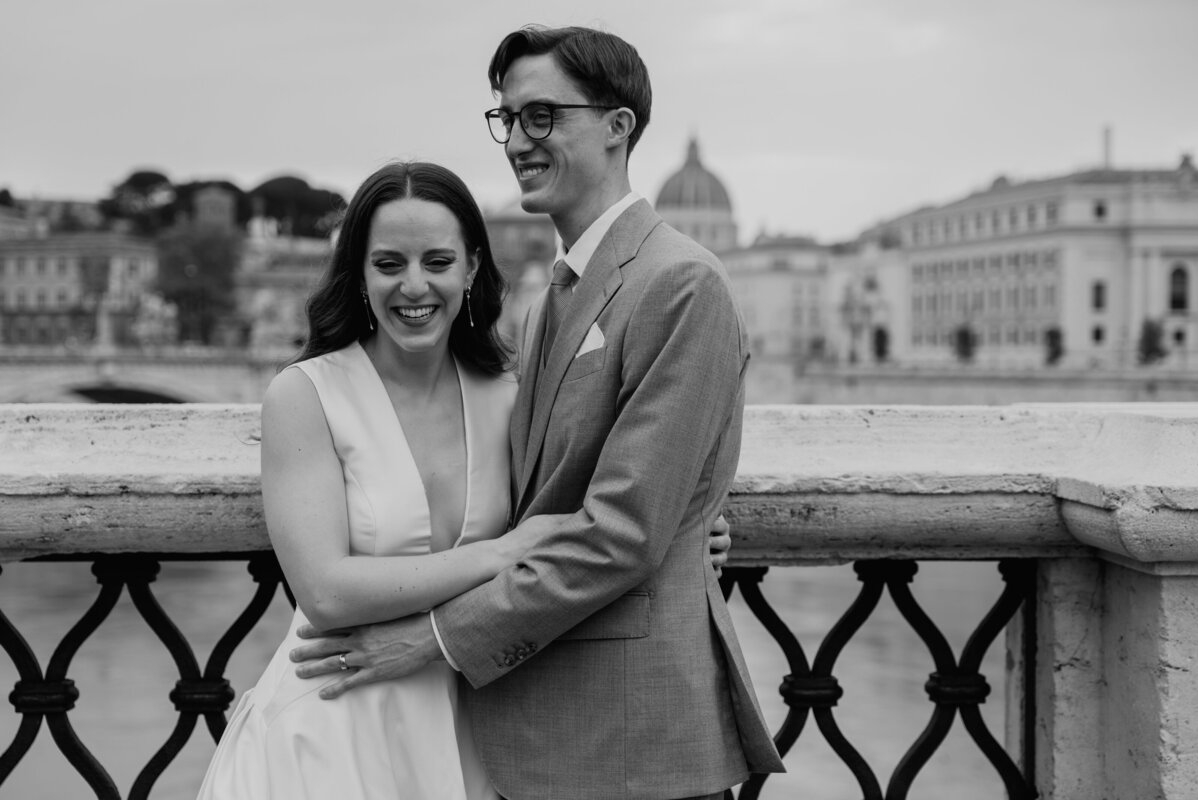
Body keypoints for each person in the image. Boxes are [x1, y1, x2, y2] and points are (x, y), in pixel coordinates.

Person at [291, 24, 784, 800]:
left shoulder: (681, 282)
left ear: (618, 125)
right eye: (509, 118)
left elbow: (625, 531)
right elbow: (554, 495)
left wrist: (435, 638)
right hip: (540, 734)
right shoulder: (549, 301)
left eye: (543, 116)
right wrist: (687, 523)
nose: (519, 140)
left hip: (630, 742)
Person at [196, 161, 732, 799]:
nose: (413, 286)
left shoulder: (510, 398)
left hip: (475, 723)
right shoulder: (303, 395)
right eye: (388, 264)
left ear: (472, 268)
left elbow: (602, 515)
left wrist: (689, 530)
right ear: (358, 274)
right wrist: (500, 552)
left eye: (438, 262)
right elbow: (327, 593)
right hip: (332, 722)